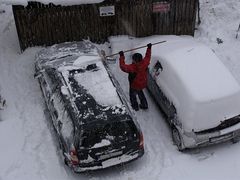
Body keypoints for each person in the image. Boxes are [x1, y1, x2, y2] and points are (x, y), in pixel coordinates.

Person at [119, 43, 152, 111]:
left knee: (132, 96)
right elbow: (148, 57)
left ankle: (135, 107)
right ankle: (144, 105)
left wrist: (122, 56)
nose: (132, 60)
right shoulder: (145, 63)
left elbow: (123, 67)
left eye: (133, 59)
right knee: (140, 93)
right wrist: (149, 48)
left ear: (135, 60)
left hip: (134, 85)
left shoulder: (133, 67)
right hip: (143, 83)